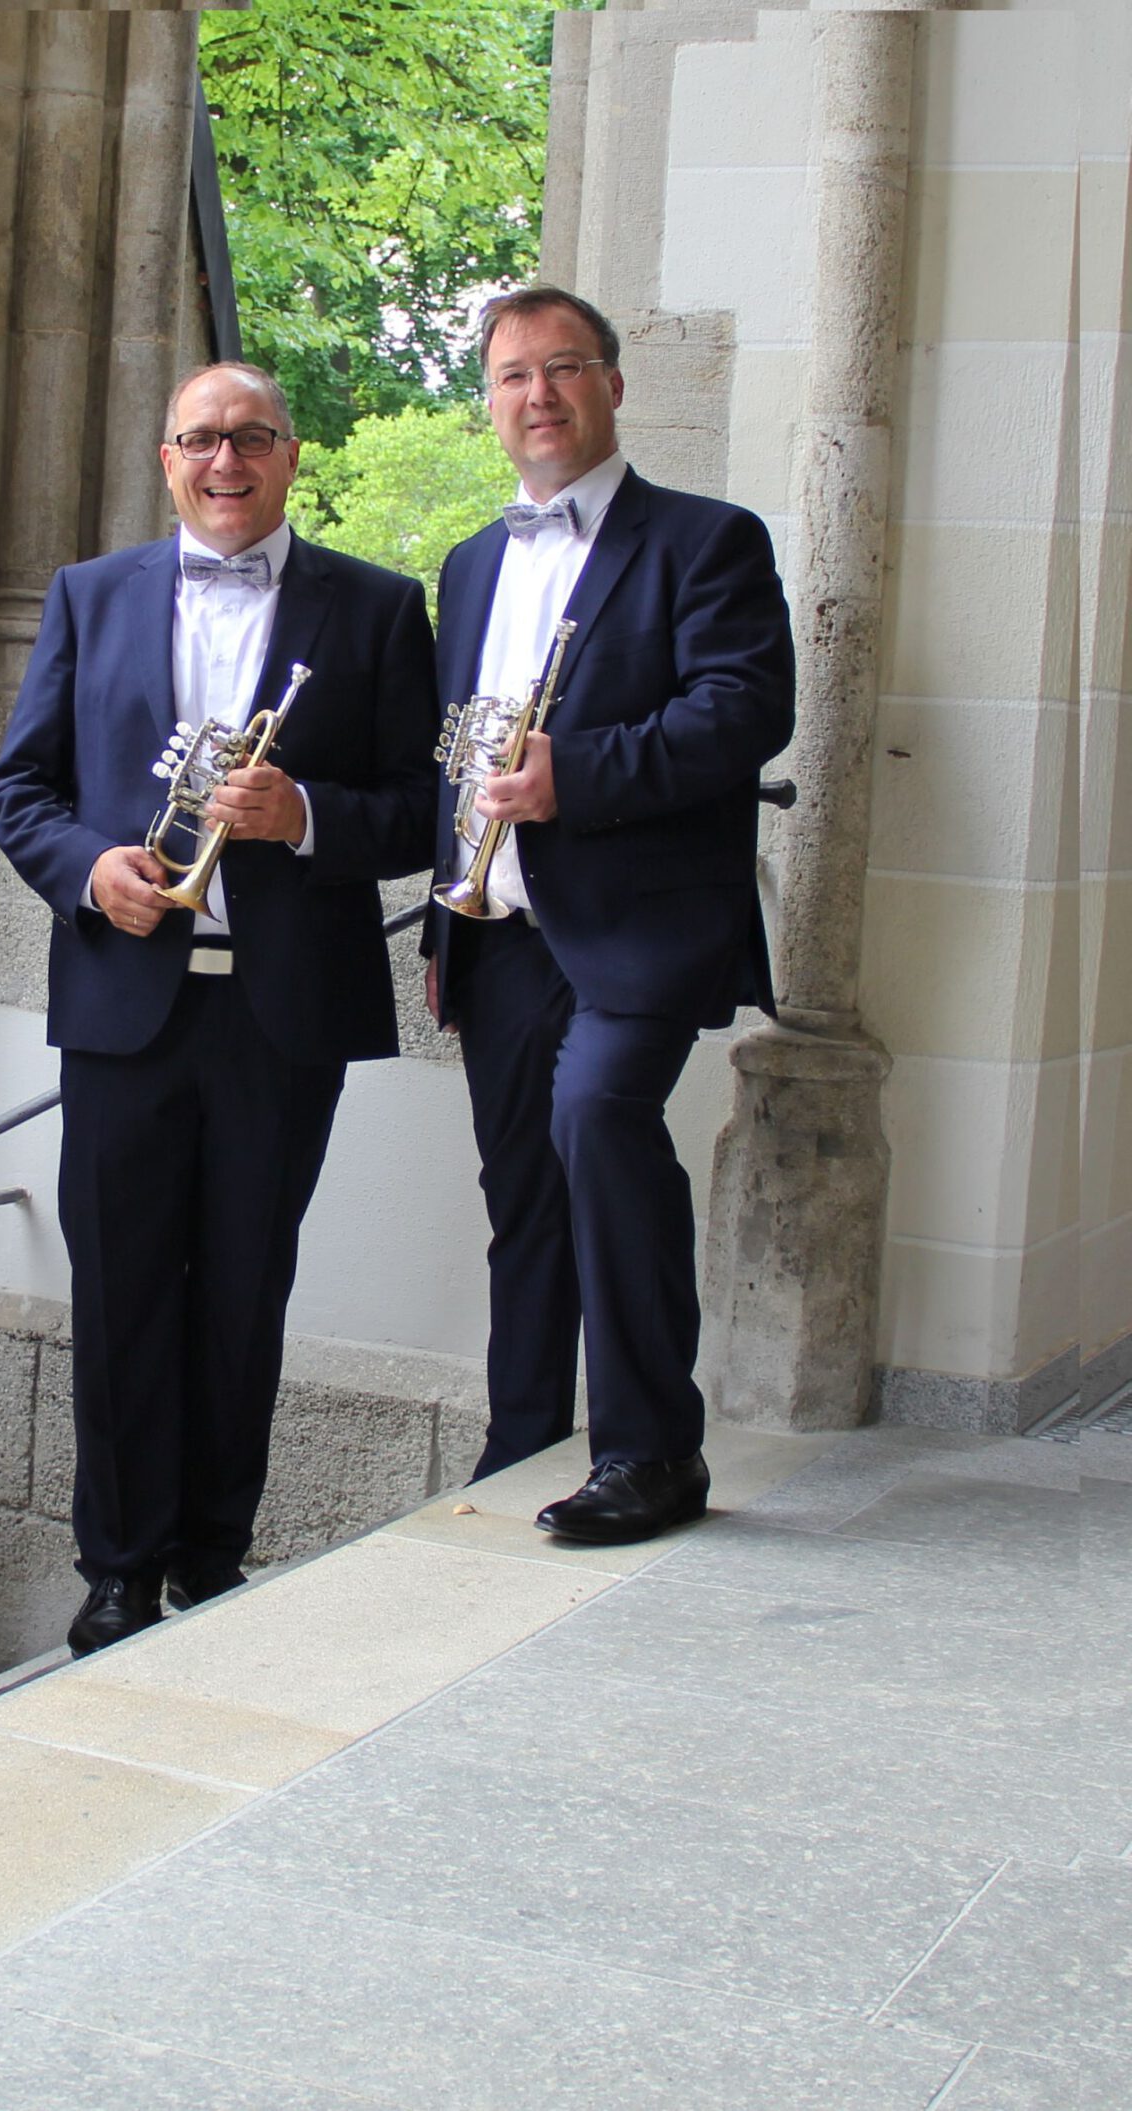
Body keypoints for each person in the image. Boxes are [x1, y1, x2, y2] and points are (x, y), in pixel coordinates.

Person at [0, 361, 438, 1657]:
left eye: (250, 437)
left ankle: (210, 1554)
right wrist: (90, 871)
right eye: (200, 438)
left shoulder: (377, 605)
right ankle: (118, 1567)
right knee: (121, 1292)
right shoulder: (87, 595)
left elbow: (427, 806)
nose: (224, 460)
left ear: (291, 454)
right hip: (124, 1004)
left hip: (277, 1013)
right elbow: (19, 789)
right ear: (167, 457)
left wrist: (306, 814)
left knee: (245, 1290)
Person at [421, 284, 794, 1542]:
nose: (538, 394)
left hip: (639, 924)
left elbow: (744, 710)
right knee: (524, 1191)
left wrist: (571, 776)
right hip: (498, 929)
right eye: (513, 375)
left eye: (564, 367)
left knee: (596, 1118)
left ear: (613, 385)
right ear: (489, 402)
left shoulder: (707, 539)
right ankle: (523, 1437)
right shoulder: (470, 565)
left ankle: (651, 1448)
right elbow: (456, 749)